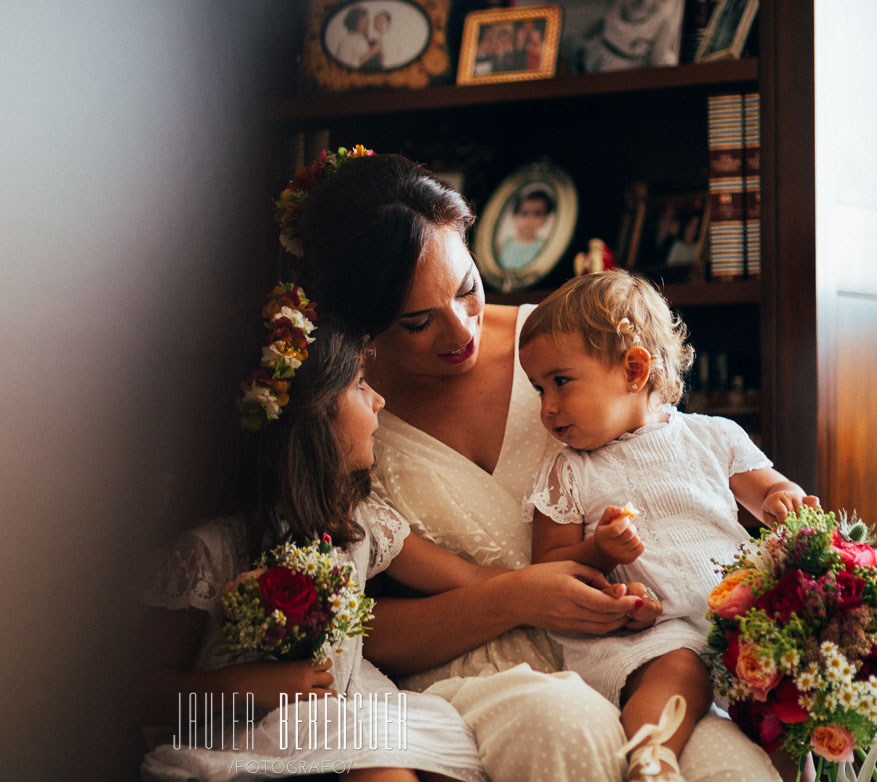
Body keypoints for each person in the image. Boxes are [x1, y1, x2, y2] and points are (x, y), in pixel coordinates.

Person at [288, 150, 783, 781]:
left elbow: (680, 461)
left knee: (736, 773)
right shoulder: (346, 411)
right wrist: (515, 599)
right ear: (361, 320)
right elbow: (354, 632)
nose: (460, 330)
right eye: (417, 322)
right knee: (563, 726)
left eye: (468, 288)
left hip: (643, 656)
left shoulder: (565, 345)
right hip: (480, 673)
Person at [138, 283, 489, 781]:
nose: (380, 400)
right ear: (312, 415)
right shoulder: (207, 552)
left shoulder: (359, 524)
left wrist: (580, 564)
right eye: (361, 384)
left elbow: (470, 581)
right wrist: (248, 684)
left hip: (347, 715)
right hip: (241, 740)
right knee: (382, 773)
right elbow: (139, 696)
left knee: (437, 764)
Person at [518, 270, 818, 780]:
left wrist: (782, 499)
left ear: (635, 370)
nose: (547, 407)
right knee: (679, 667)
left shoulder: (711, 436)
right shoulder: (568, 470)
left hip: (737, 619)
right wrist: (601, 553)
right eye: (538, 388)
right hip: (649, 629)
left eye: (560, 382)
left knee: (786, 702)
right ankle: (652, 758)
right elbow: (547, 565)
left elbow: (769, 491)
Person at [575, 0, 684, 73]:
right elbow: (600, 24)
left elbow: (657, 57)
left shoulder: (667, 16)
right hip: (606, 58)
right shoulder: (617, 5)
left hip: (638, 63)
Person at [496, 188, 555, 272]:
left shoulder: (544, 247)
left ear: (545, 219)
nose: (529, 220)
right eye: (524, 213)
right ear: (514, 216)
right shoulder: (502, 246)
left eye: (537, 214)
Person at [335, 5, 382, 71]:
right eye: (364, 23)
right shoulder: (346, 41)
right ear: (354, 23)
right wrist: (371, 53)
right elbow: (342, 67)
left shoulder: (364, 40)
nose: (367, 26)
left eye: (367, 22)